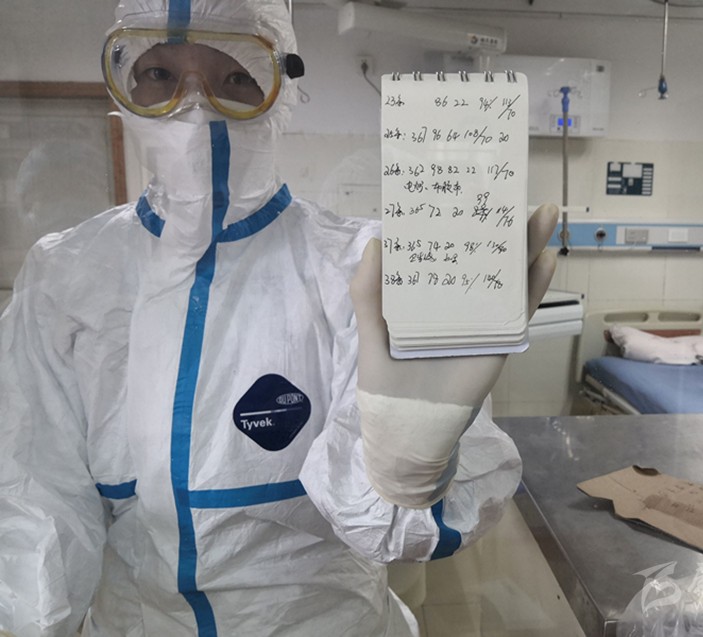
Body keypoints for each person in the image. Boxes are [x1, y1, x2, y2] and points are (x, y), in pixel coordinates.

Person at [0, 1, 558, 635]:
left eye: (237, 77)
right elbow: (31, 497)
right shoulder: (69, 276)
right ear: (124, 86)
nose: (196, 108)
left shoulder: (361, 269)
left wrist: (404, 475)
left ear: (282, 89)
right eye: (159, 75)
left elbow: (397, 530)